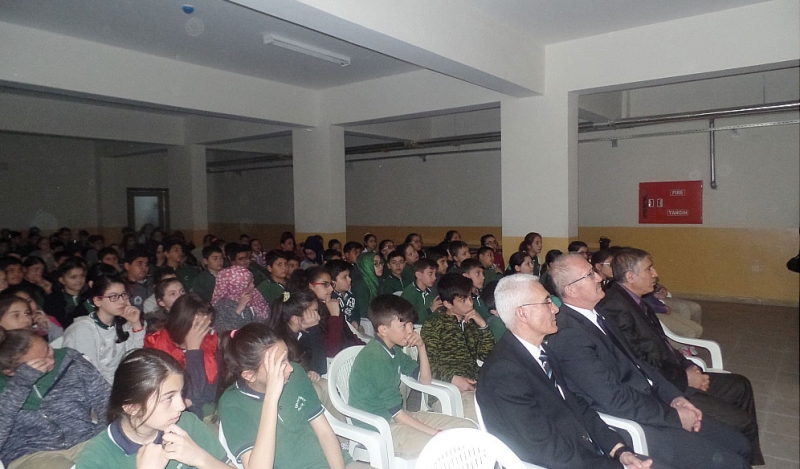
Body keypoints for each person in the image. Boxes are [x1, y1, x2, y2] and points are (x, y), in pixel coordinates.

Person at [546, 254, 752, 469]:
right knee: (733, 462)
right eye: (590, 275)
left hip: (656, 402)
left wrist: (674, 397)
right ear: (571, 290)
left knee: (740, 444)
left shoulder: (597, 314)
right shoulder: (568, 336)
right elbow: (614, 399)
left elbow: (639, 363)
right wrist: (674, 416)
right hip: (637, 422)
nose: (599, 277)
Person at [596, 248, 762, 464]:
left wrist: (690, 366)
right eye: (649, 269)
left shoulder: (636, 300)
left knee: (741, 385)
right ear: (630, 277)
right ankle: (735, 452)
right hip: (668, 384)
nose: (655, 273)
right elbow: (641, 361)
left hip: (678, 372)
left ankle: (746, 456)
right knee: (743, 423)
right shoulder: (615, 307)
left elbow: (663, 344)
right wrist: (685, 378)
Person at [476, 274, 657, 469]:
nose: (555, 308)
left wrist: (618, 450)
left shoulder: (542, 352)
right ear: (522, 314)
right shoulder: (505, 372)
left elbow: (577, 404)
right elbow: (545, 449)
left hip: (585, 454)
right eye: (547, 302)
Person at [348, 295, 474, 458]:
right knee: (446, 446)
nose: (411, 330)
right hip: (380, 427)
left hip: (399, 417)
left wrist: (421, 347)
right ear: (383, 330)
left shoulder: (393, 350)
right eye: (404, 326)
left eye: (410, 324)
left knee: (468, 428)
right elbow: (397, 415)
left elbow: (425, 380)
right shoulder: (376, 358)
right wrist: (436, 433)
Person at [216, 322, 354, 469]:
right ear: (250, 375)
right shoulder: (232, 404)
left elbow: (325, 433)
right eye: (279, 364)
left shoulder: (296, 375)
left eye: (287, 358)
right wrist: (271, 399)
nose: (290, 368)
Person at [74, 349, 228, 469]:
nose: (181, 406)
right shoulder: (97, 458)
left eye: (180, 394)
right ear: (132, 408)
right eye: (168, 398)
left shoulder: (186, 424)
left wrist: (200, 458)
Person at [0, 328, 110, 469]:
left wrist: (101, 438)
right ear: (11, 372)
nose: (51, 360)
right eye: (40, 362)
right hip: (31, 456)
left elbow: (106, 400)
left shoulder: (70, 360)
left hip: (86, 440)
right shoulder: (6, 389)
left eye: (48, 348)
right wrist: (20, 385)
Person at [420, 273, 493, 422]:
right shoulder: (434, 325)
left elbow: (488, 356)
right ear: (447, 304)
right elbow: (426, 364)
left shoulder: (470, 321)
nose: (470, 304)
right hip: (447, 391)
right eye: (463, 300)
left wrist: (483, 326)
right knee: (485, 419)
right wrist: (453, 379)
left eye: (470, 298)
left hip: (476, 386)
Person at [144, 293, 218, 418]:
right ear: (182, 322)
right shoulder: (157, 344)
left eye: (208, 324)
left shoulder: (210, 341)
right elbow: (189, 396)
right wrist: (193, 350)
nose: (205, 330)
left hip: (207, 412)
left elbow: (210, 393)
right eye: (198, 325)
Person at [211, 266, 270, 333]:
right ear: (235, 287)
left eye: (252, 282)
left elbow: (267, 319)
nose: (253, 285)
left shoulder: (255, 295)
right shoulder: (222, 305)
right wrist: (239, 309)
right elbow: (224, 331)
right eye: (248, 284)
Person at [42, 256, 87, 329]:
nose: (79, 280)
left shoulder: (90, 296)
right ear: (62, 280)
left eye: (82, 276)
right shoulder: (53, 301)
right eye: (73, 277)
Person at [400, 258, 441, 324]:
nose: (434, 277)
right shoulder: (409, 294)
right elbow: (410, 318)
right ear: (418, 275)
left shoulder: (433, 291)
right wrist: (430, 310)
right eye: (430, 273)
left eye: (435, 274)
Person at [351, 252, 383, 329]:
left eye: (381, 263)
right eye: (376, 264)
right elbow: (364, 312)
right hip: (368, 323)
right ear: (366, 266)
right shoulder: (361, 285)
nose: (381, 266)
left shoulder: (377, 281)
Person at [327, 260, 359, 332]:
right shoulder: (330, 299)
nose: (350, 279)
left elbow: (356, 311)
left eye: (349, 276)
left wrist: (355, 320)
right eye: (344, 277)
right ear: (333, 281)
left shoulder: (351, 294)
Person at [122, 248, 151, 313]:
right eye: (139, 264)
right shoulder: (122, 287)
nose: (144, 267)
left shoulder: (153, 283)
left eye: (146, 264)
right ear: (127, 266)